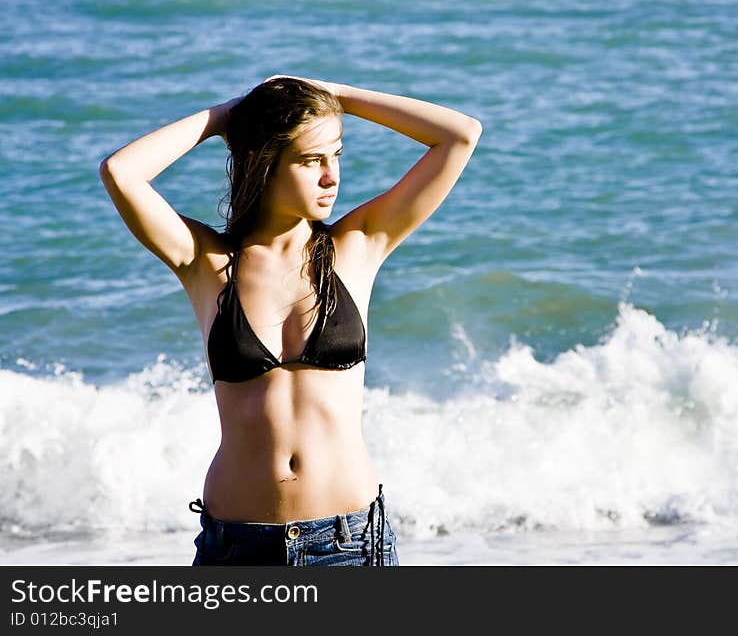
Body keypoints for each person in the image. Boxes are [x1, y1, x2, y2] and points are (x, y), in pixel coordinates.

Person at [99, 76, 481, 565]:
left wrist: (331, 95)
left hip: (348, 545)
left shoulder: (357, 247)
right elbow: (121, 172)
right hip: (237, 548)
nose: (332, 177)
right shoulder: (206, 262)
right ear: (264, 163)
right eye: (310, 160)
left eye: (336, 155)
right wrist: (229, 117)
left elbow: (460, 134)